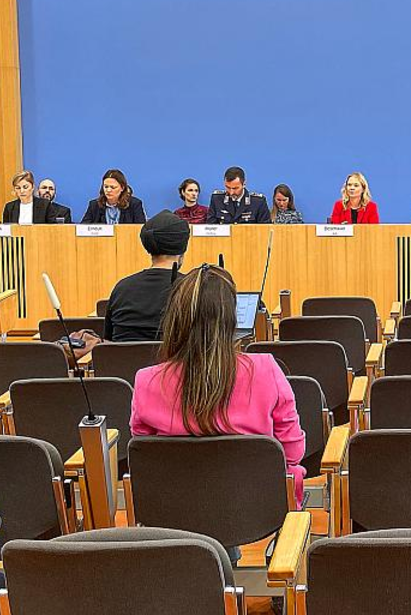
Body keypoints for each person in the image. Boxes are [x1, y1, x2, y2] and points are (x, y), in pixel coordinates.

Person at [130, 265, 306, 507]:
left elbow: (145, 457)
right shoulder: (266, 370)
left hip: (174, 511)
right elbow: (293, 453)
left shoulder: (146, 381)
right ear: (232, 319)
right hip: (258, 509)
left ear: (175, 319)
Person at [103, 211, 189, 342]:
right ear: (183, 248)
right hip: (176, 356)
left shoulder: (122, 288)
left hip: (126, 356)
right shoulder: (192, 290)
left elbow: (108, 343)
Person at [81, 169, 146, 224]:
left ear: (122, 188)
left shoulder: (134, 204)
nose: (108, 190)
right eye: (106, 187)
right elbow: (82, 228)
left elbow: (141, 229)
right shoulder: (94, 205)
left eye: (113, 187)